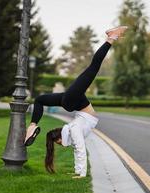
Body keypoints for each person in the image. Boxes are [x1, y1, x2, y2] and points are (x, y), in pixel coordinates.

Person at [24, 26, 127, 178]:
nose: (60, 144)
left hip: (73, 101)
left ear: (60, 137)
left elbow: (79, 150)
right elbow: (79, 150)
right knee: (92, 68)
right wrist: (80, 173)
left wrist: (80, 173)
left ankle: (32, 126)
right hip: (73, 101)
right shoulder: (72, 130)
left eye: (58, 143)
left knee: (40, 100)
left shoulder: (72, 130)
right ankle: (111, 37)